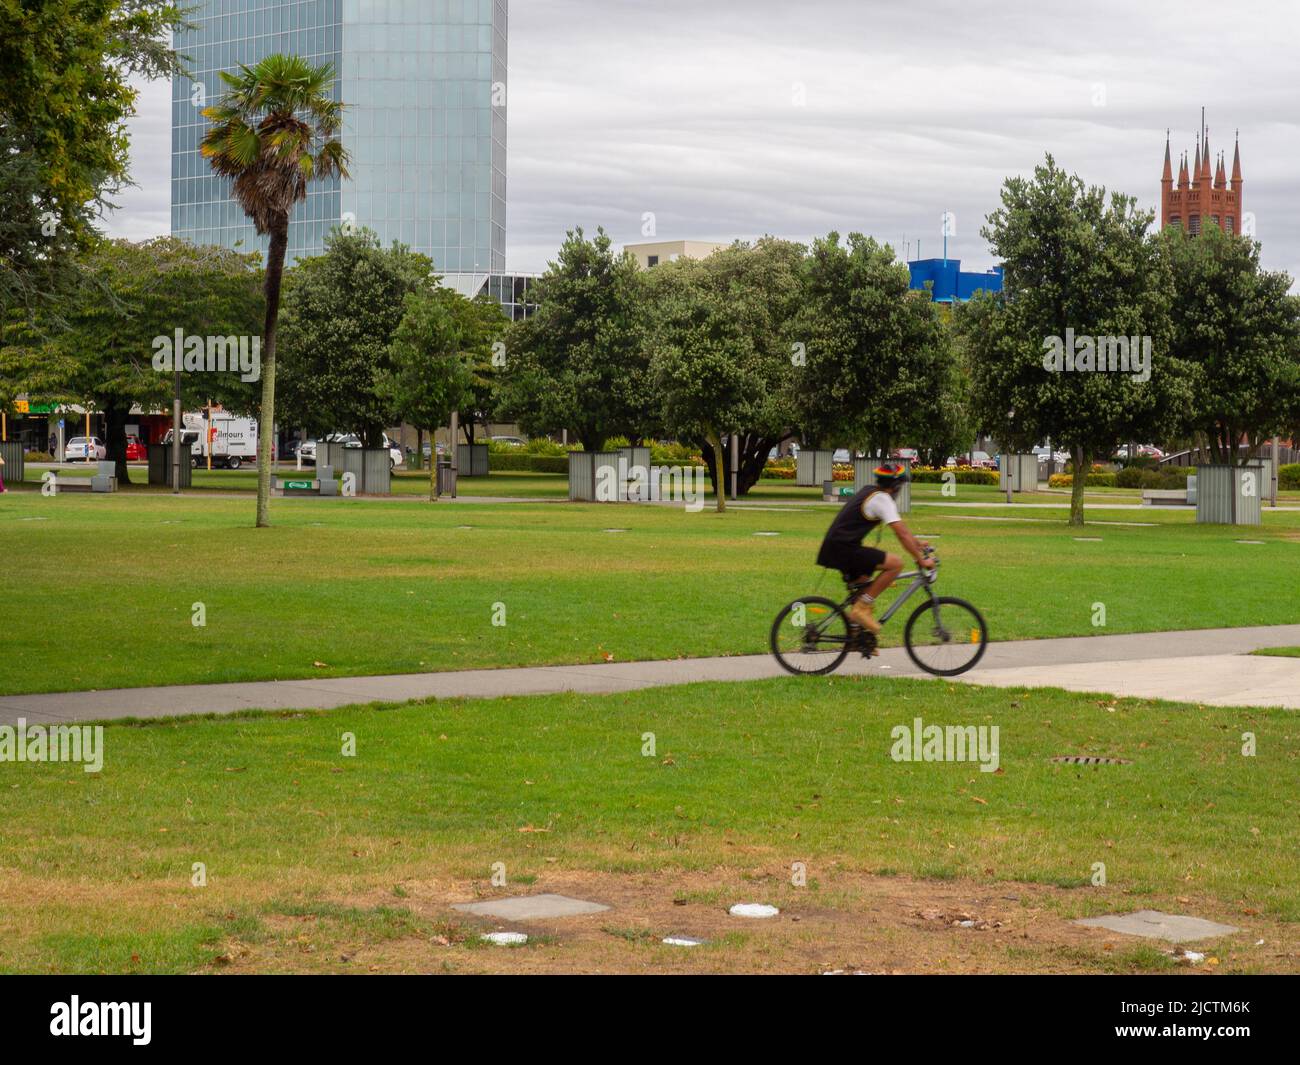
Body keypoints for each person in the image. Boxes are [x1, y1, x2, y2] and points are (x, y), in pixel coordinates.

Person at [816, 463, 932, 636]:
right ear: (895, 487)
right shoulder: (882, 499)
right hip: (844, 549)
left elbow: (905, 533)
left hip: (837, 547)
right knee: (896, 564)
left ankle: (856, 636)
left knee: (864, 582)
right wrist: (920, 559)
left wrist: (917, 543)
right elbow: (901, 534)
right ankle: (862, 608)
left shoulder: (870, 491)